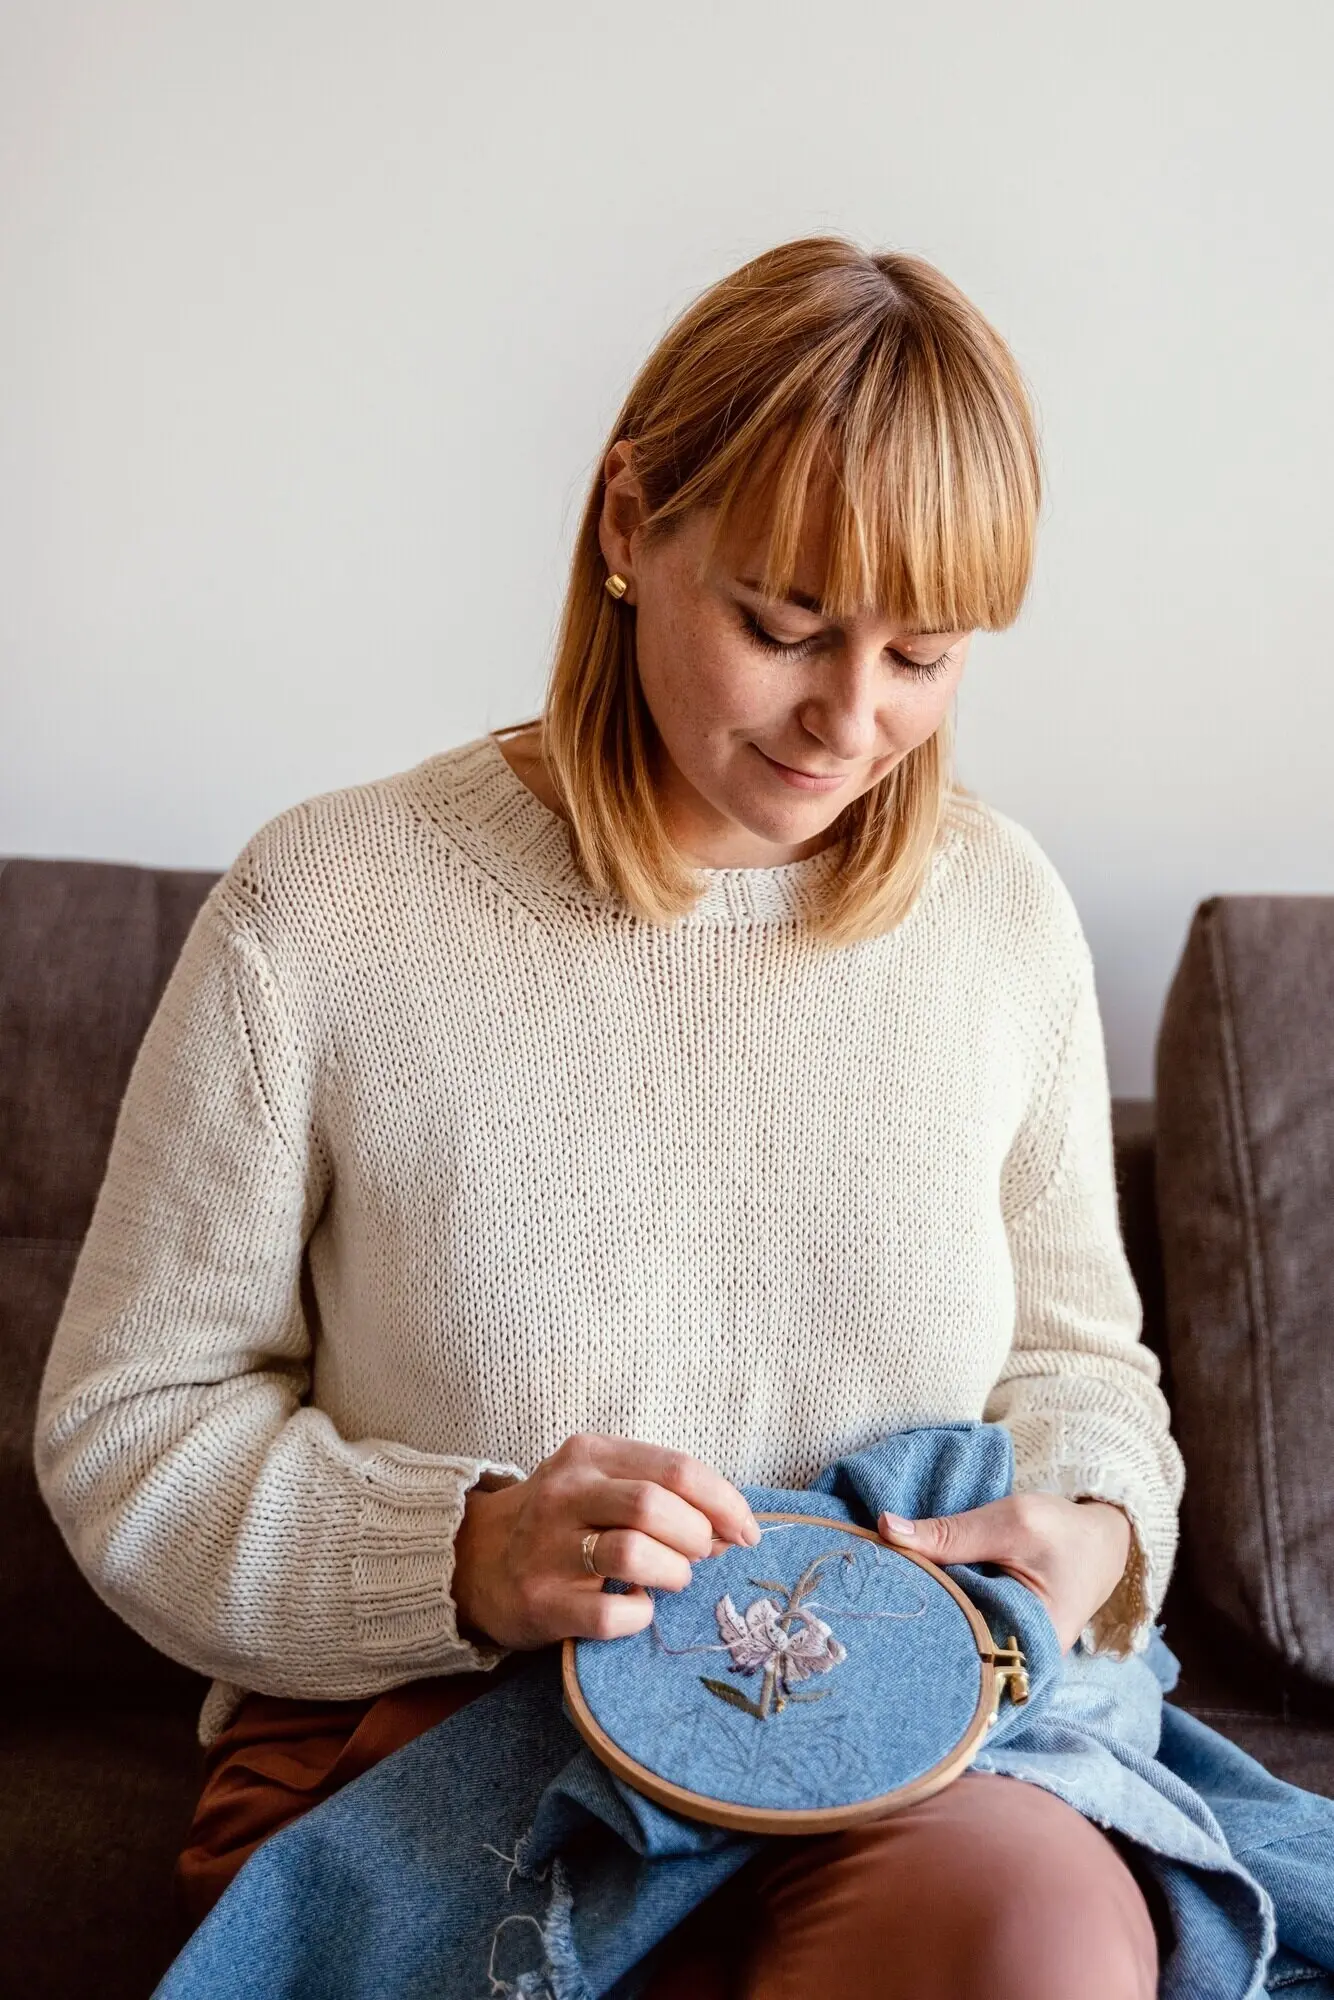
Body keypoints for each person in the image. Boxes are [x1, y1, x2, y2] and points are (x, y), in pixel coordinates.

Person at [34, 234, 1183, 1997]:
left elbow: (1077, 1368)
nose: (850, 720)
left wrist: (1090, 1527)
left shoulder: (996, 916)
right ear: (629, 522)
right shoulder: (325, 910)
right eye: (785, 626)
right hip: (438, 1732)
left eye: (924, 656)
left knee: (1033, 1939)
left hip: (897, 1742)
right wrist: (467, 1553)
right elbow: (132, 1424)